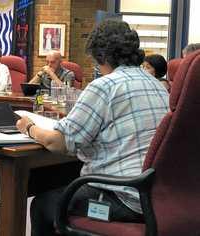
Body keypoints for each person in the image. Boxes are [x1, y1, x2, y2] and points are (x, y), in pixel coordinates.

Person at [17, 20, 169, 236]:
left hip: (122, 200)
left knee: (43, 205)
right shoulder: (159, 86)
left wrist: (29, 127)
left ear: (101, 55)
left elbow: (57, 141)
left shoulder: (105, 85)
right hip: (158, 198)